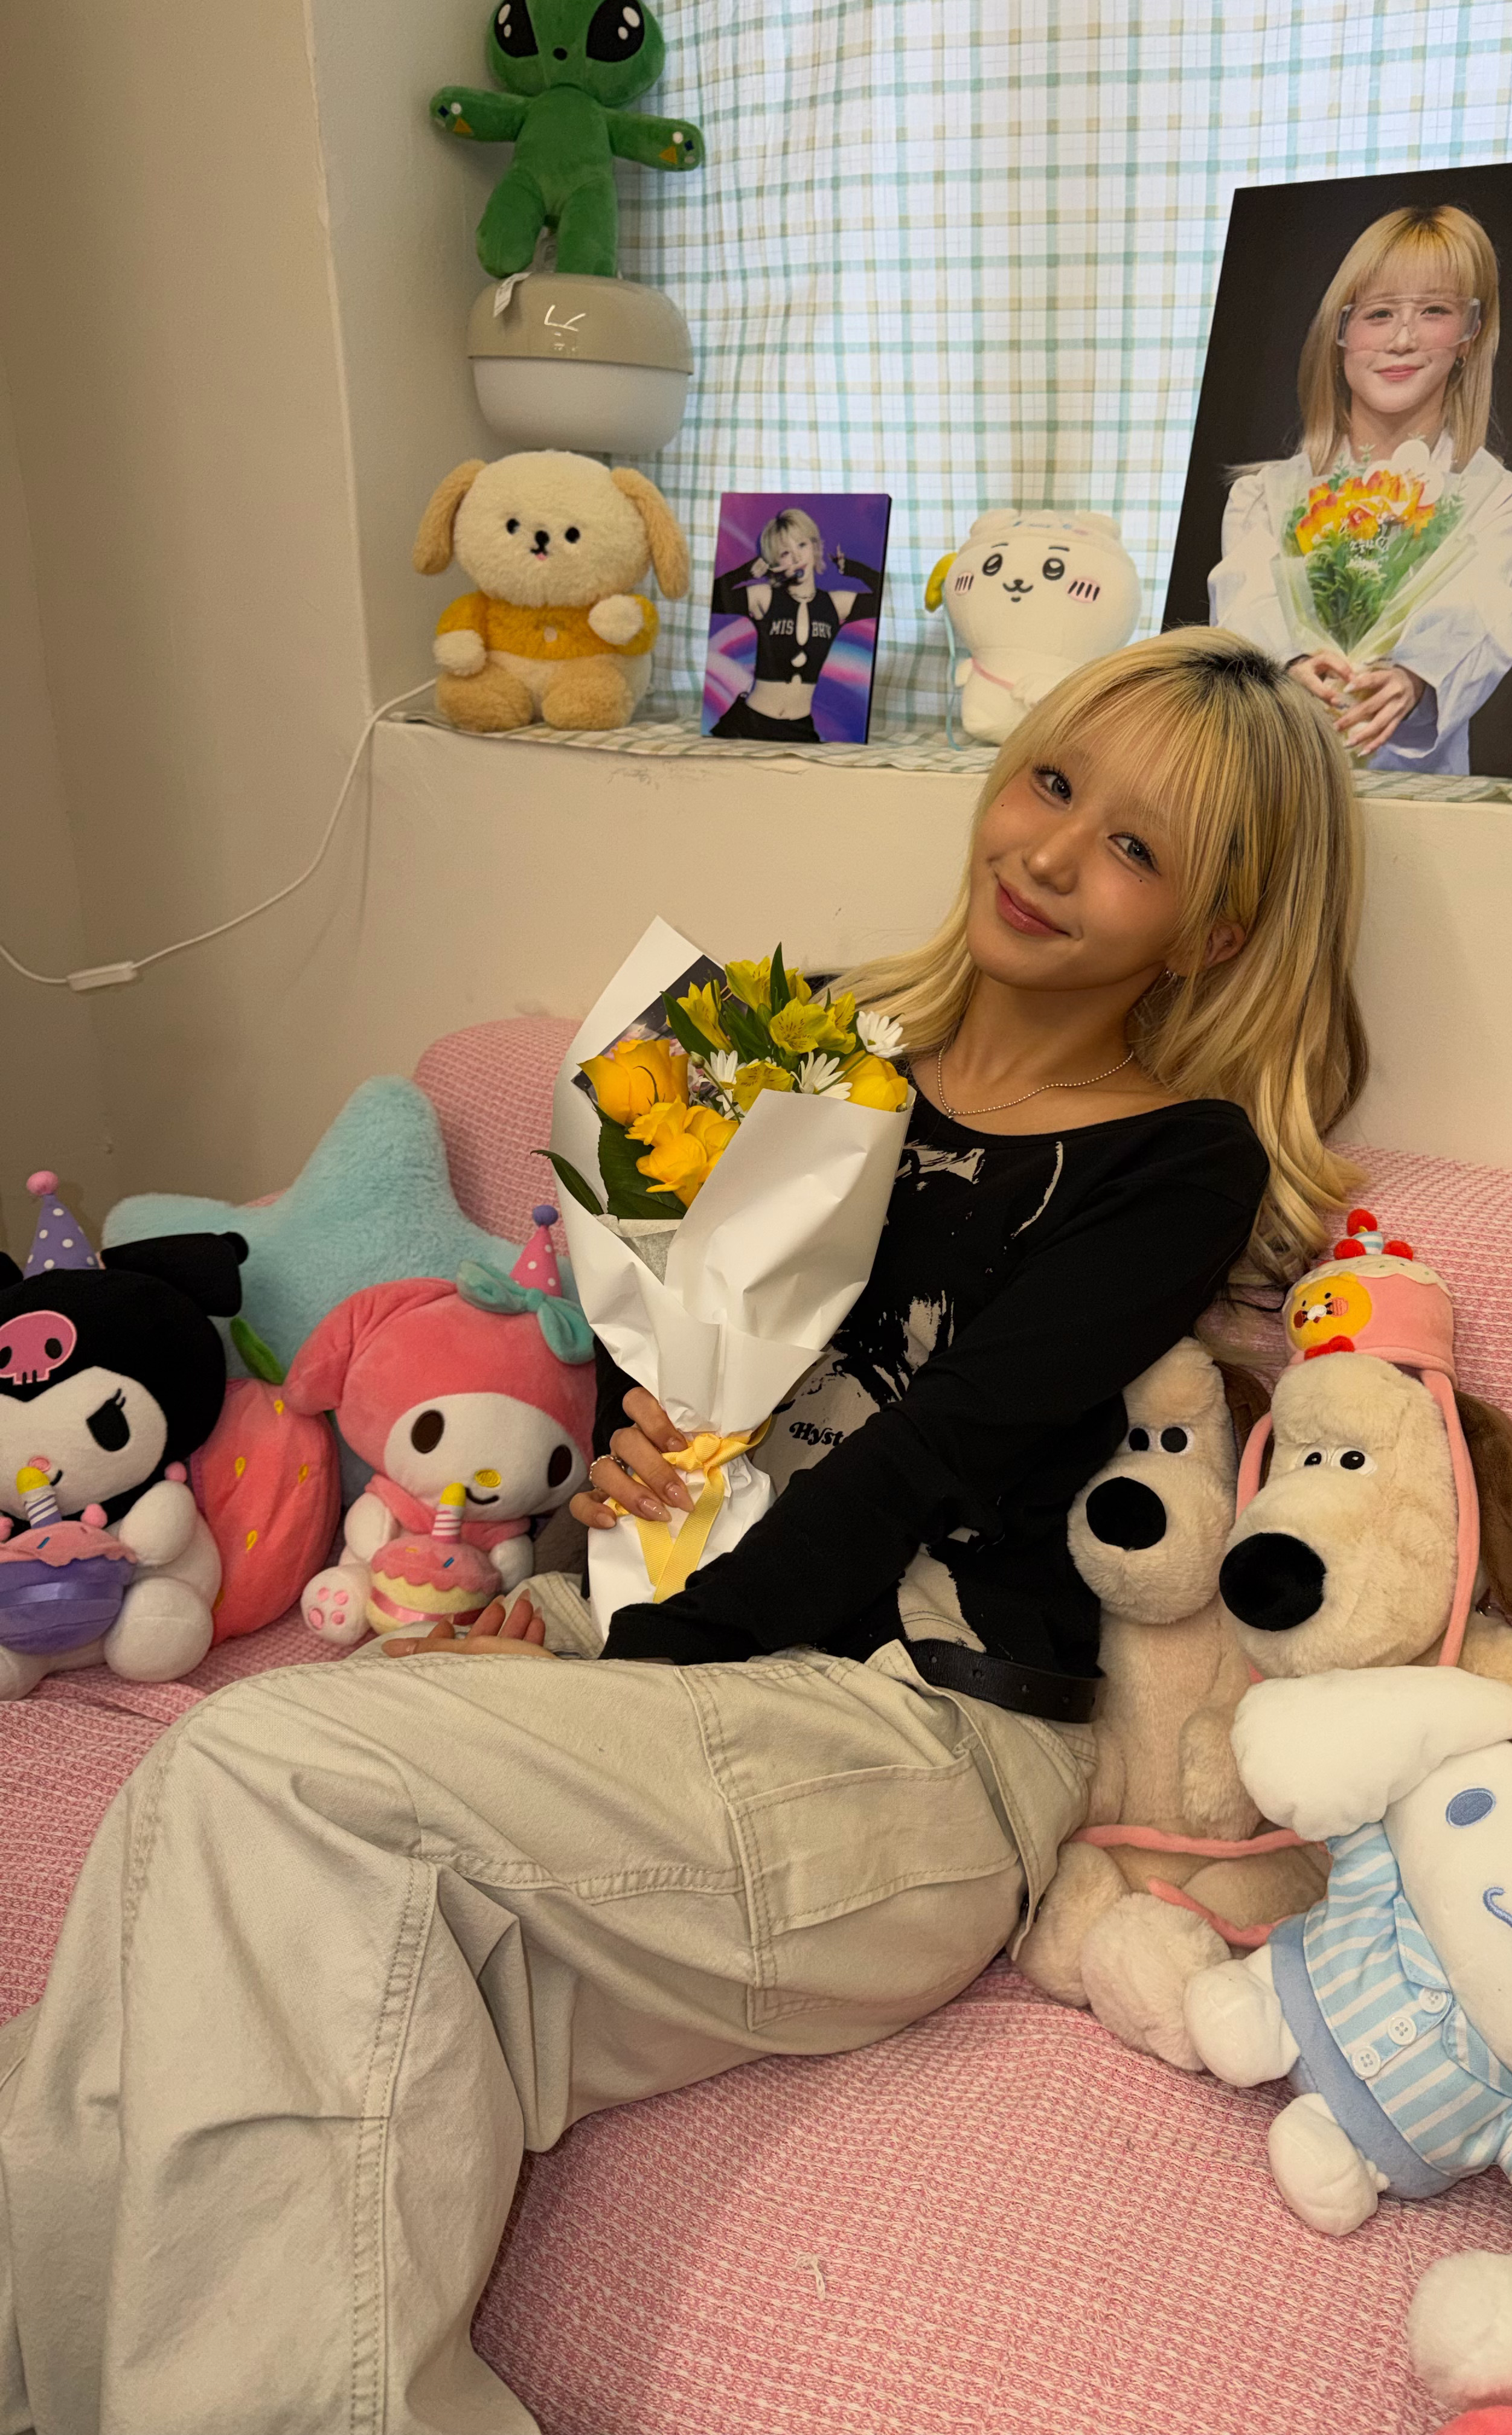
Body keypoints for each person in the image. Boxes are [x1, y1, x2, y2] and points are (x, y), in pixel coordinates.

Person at [0, 630, 1367, 2435]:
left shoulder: (1174, 1161)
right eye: (1051, 782)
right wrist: (628, 1475)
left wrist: (612, 1654)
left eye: (1134, 848)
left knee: (266, 1772)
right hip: (685, 1682)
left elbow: (935, 1450)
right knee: (221, 1906)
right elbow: (676, 1395)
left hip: (917, 1744)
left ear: (1209, 934)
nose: (1048, 852)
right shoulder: (811, 1045)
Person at [1208, 203, 1512, 775]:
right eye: (1380, 314)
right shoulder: (1265, 495)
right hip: (1280, 773)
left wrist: (1414, 676)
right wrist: (1289, 665)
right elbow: (1245, 604)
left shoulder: (1504, 499)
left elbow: (1486, 611)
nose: (1403, 340)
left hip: (1416, 793)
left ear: (1470, 335)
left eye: (1434, 311)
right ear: (1340, 334)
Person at [707, 506, 882, 743]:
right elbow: (712, 598)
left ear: (815, 548)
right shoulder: (764, 597)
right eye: (785, 553)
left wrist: (854, 570)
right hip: (749, 724)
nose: (797, 558)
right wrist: (745, 573)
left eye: (802, 545)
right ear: (774, 561)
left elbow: (883, 599)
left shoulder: (836, 604)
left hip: (799, 728)